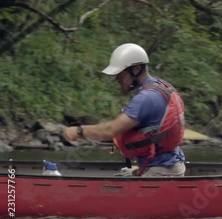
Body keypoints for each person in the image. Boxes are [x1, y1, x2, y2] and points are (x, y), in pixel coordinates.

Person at [64, 43, 186, 177]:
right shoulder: (158, 87)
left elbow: (111, 130)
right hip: (167, 165)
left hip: (161, 171)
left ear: (136, 69)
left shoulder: (146, 98)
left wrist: (79, 131)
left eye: (120, 75)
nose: (117, 79)